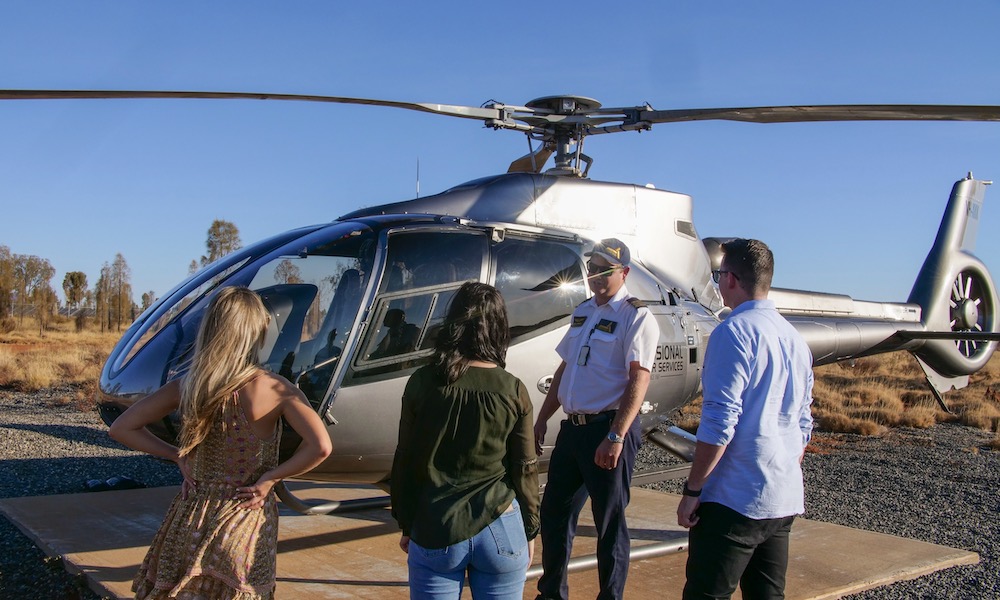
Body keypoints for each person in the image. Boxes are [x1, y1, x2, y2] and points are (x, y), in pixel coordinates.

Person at [109, 286, 333, 600]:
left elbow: (122, 428)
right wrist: (270, 478)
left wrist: (176, 455)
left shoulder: (187, 385)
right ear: (257, 333)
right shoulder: (274, 388)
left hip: (191, 516)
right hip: (244, 518)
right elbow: (321, 446)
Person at [677, 238, 814, 600]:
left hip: (734, 501)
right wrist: (781, 466)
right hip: (782, 498)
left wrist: (693, 490)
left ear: (732, 279)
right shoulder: (795, 339)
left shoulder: (732, 332)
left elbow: (720, 421)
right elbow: (803, 422)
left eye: (719, 274)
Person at [390, 281, 540, 599]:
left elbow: (406, 460)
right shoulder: (513, 389)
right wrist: (529, 528)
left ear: (453, 325)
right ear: (499, 328)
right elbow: (525, 467)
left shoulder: (421, 383)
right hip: (501, 527)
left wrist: (406, 522)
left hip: (435, 528)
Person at [533, 238, 659, 600]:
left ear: (624, 273)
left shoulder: (635, 316)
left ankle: (610, 596)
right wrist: (543, 418)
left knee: (609, 522)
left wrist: (617, 436)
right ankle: (552, 593)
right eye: (592, 268)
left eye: (605, 269)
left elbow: (639, 378)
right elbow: (566, 367)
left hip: (607, 430)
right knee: (554, 513)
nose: (596, 275)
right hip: (573, 430)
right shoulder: (584, 311)